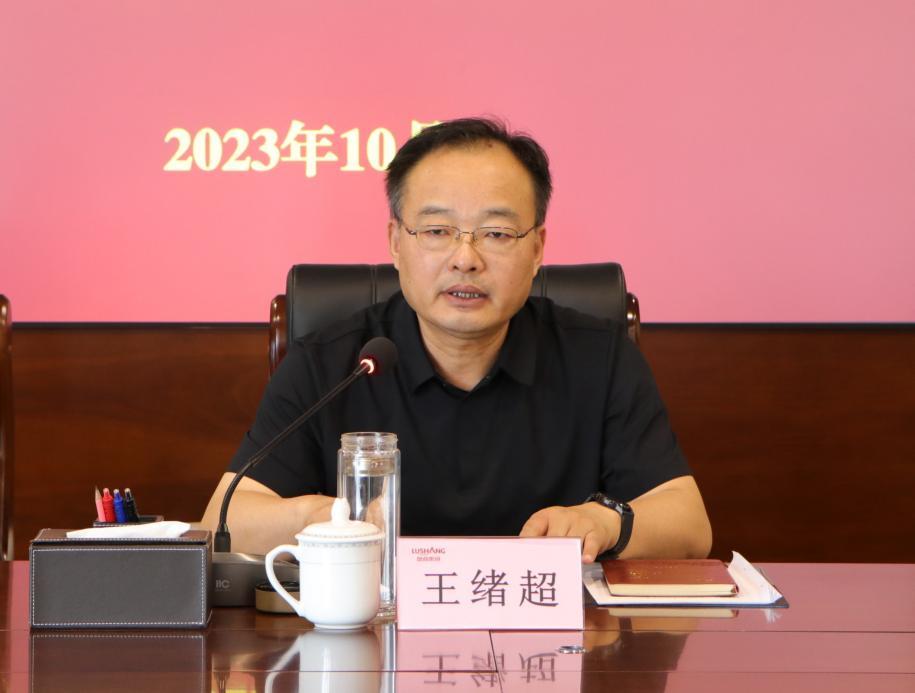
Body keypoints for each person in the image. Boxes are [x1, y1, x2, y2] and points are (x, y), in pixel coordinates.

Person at [202, 118, 712, 562]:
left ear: (537, 248)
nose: (465, 259)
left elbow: (690, 525)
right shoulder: (332, 364)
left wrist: (605, 524)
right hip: (375, 633)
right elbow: (223, 523)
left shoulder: (599, 357)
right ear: (396, 242)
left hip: (550, 634)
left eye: (496, 234)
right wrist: (327, 516)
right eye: (437, 231)